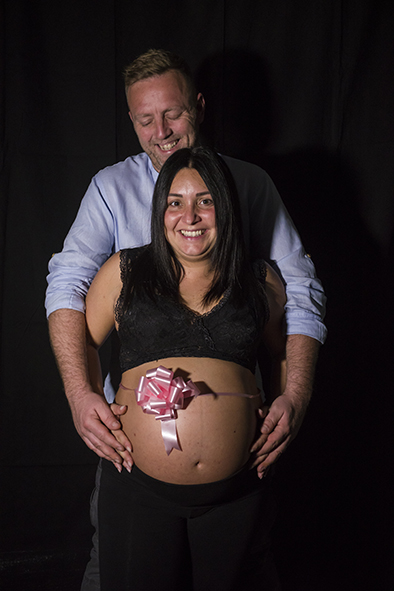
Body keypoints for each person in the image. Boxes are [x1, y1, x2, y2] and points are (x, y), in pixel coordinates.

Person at [45, 49, 326, 589]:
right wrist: (81, 396)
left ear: (198, 107)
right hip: (137, 464)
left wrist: (297, 394)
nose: (162, 130)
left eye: (172, 113)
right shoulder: (112, 199)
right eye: (145, 119)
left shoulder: (252, 189)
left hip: (239, 477)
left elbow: (301, 298)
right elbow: (67, 288)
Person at [85, 146, 286, 590]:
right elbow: (82, 338)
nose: (189, 216)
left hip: (237, 495)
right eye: (175, 202)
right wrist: (85, 397)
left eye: (205, 200)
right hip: (139, 492)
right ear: (160, 211)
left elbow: (285, 349)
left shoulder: (259, 280)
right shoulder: (124, 271)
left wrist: (283, 404)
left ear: (226, 207)